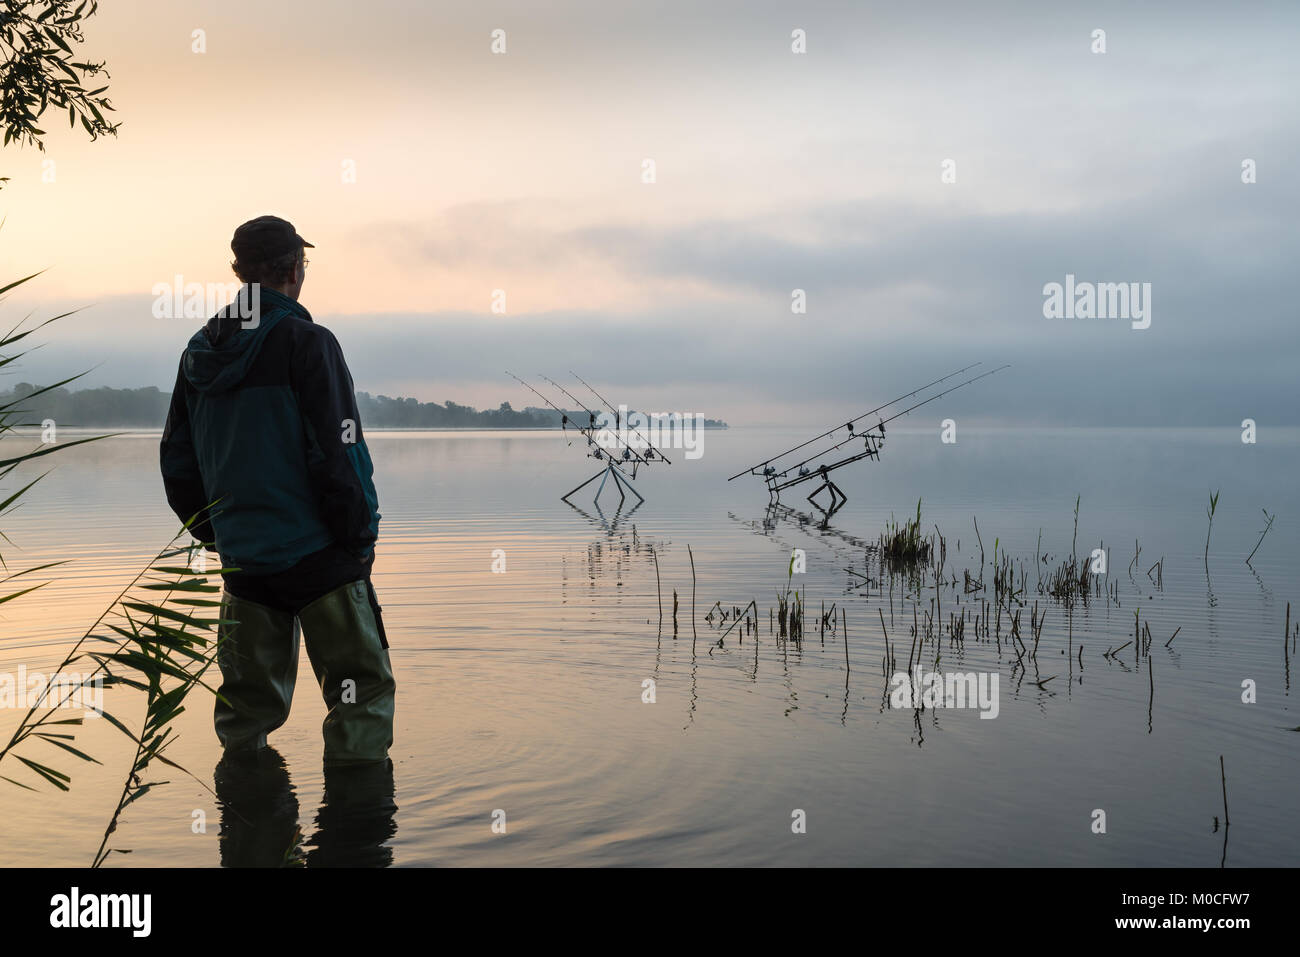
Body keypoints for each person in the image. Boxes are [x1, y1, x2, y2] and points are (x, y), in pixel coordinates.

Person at [160, 215, 395, 766]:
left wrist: (218, 535)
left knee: (245, 712)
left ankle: (249, 826)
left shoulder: (197, 353)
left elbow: (177, 459)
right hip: (321, 558)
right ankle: (356, 834)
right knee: (360, 696)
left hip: (246, 563)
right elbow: (341, 453)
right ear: (294, 269)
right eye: (303, 264)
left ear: (240, 272)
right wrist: (359, 538)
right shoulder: (308, 343)